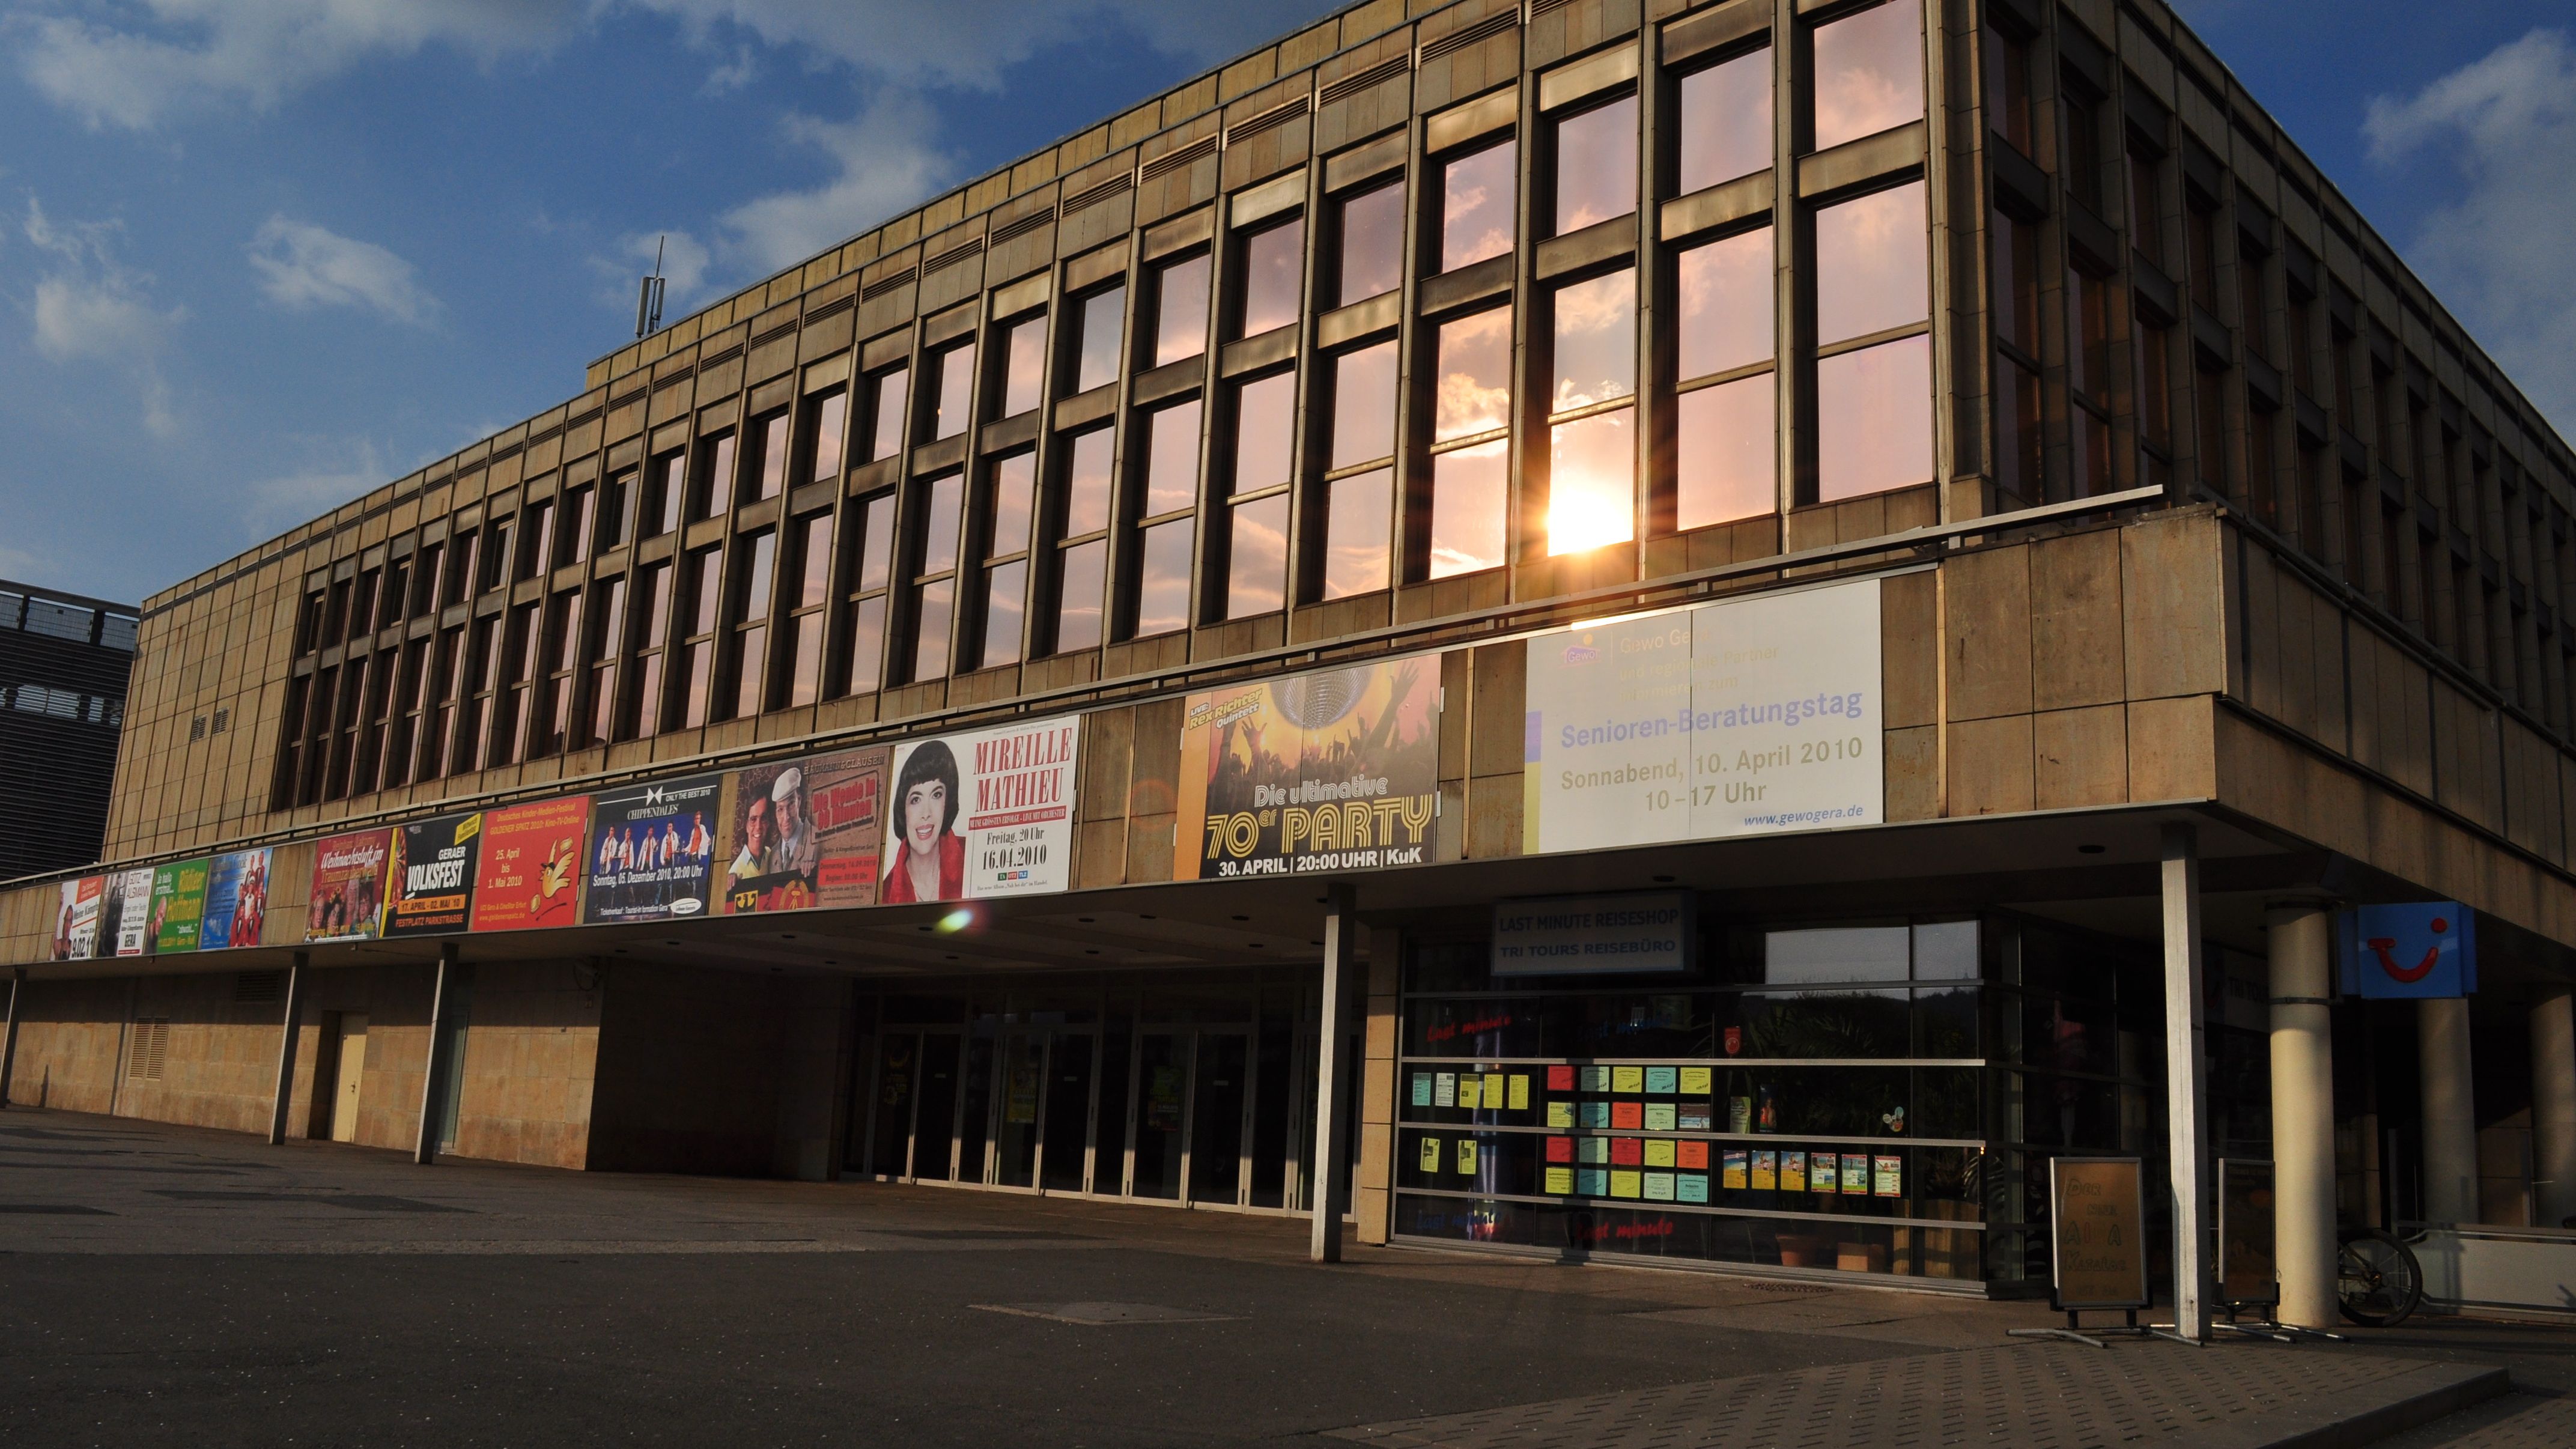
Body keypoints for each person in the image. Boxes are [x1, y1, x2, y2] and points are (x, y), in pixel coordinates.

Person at [882, 741, 965, 904]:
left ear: (947, 802)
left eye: (936, 795)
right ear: (903, 809)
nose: (926, 813)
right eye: (916, 799)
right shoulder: (886, 894)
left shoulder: (971, 859)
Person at [768, 767, 819, 879]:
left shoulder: (817, 841)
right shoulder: (773, 854)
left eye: (791, 804)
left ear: (799, 801)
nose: (786, 817)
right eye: (780, 809)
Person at [728, 795, 774, 889]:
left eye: (763, 818)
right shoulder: (735, 873)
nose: (758, 826)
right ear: (746, 826)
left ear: (768, 823)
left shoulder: (771, 855)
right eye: (753, 819)